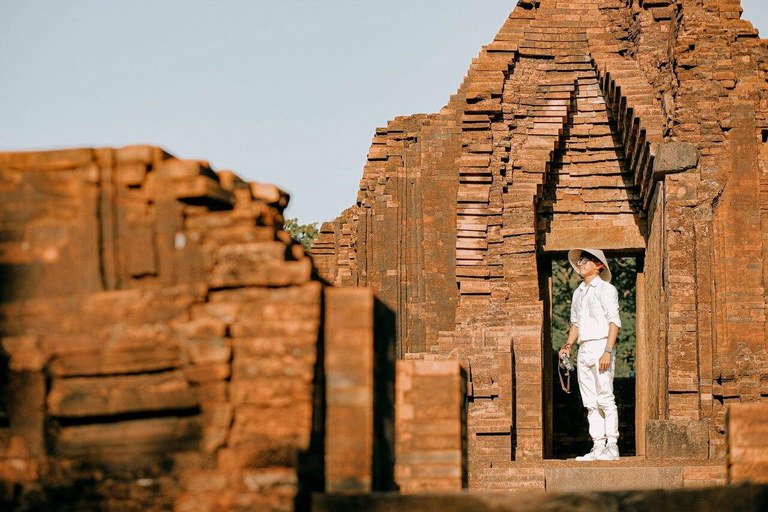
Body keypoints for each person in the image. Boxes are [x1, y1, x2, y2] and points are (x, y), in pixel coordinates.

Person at [558, 248, 622, 461]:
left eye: (586, 260)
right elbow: (575, 323)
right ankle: (598, 445)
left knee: (605, 397)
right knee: (590, 402)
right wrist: (568, 344)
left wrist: (608, 350)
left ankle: (612, 445)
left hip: (601, 345)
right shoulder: (578, 292)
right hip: (584, 348)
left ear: (599, 265)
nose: (581, 263)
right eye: (580, 260)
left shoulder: (607, 289)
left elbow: (614, 321)